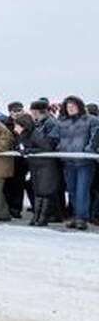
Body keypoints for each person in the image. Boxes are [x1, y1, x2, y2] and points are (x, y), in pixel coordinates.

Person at [56, 96, 98, 230]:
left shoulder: (91, 120)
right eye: (68, 107)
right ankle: (75, 216)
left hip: (84, 162)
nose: (70, 109)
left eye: (73, 106)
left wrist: (89, 150)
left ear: (79, 106)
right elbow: (56, 138)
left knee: (82, 191)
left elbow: (96, 136)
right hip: (68, 161)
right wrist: (59, 149)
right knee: (72, 191)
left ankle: (82, 218)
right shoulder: (62, 122)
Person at [14, 112, 59, 226]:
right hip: (35, 165)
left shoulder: (36, 134)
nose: (15, 128)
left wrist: (29, 150)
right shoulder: (23, 136)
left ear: (23, 125)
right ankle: (36, 216)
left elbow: (46, 148)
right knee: (38, 190)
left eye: (17, 125)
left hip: (45, 166)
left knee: (44, 191)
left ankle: (42, 217)